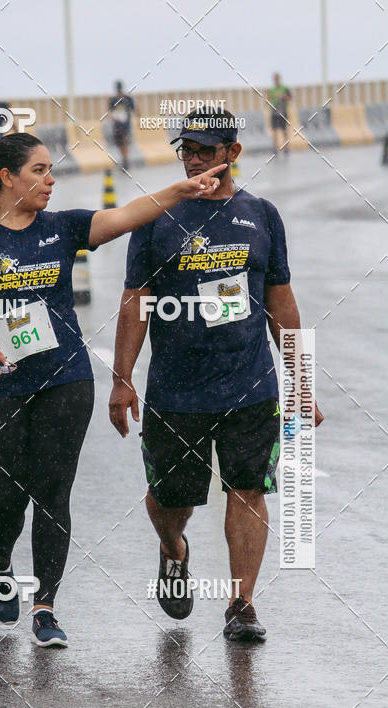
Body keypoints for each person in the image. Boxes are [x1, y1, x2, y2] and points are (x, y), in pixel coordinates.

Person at [0, 132, 224, 648]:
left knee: (52, 494)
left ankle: (46, 606)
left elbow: (128, 215)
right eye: (39, 171)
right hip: (0, 386)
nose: (50, 180)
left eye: (52, 171)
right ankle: (1, 562)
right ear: (7, 178)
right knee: (3, 500)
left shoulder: (63, 227)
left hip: (65, 381)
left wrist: (179, 191)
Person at [109, 108, 323, 641]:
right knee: (171, 499)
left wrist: (300, 379)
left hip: (250, 384)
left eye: (207, 150)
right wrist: (121, 379)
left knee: (249, 489)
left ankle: (242, 602)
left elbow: (281, 302)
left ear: (233, 153)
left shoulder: (262, 215)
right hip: (176, 389)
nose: (196, 160)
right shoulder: (158, 217)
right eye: (188, 151)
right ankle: (173, 546)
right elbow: (136, 302)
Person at [108, 81, 136, 170]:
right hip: (118, 126)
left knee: (124, 143)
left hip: (124, 126)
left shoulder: (126, 99)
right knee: (121, 144)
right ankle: (124, 158)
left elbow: (134, 109)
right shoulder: (114, 100)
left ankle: (125, 159)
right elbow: (110, 112)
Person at [269, 73, 292, 155]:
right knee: (274, 131)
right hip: (274, 112)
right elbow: (268, 99)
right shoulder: (272, 90)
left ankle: (286, 148)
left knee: (284, 130)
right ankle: (275, 149)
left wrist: (283, 96)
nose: (276, 80)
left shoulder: (284, 88)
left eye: (277, 79)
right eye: (275, 79)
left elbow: (289, 98)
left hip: (283, 112)